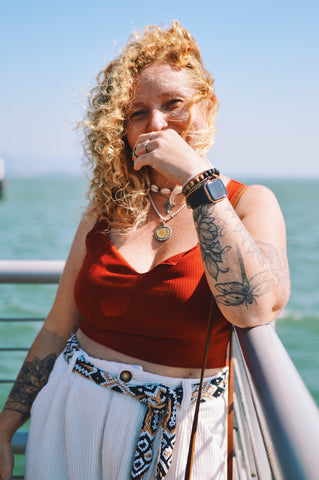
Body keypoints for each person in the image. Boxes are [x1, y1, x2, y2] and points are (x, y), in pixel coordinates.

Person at [0, 20, 290, 480]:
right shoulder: (103, 212)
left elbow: (254, 309)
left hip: (181, 437)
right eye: (137, 113)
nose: (156, 124)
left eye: (173, 103)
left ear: (207, 109)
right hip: (69, 413)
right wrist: (7, 424)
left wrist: (198, 178)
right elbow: (57, 330)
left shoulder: (248, 203)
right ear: (123, 130)